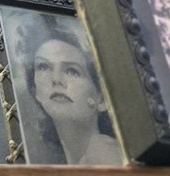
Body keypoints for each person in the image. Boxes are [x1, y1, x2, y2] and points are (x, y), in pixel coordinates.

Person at [21, 17, 120, 165]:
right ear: (36, 91)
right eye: (44, 67)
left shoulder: (102, 149)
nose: (56, 79)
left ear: (102, 99)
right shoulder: (63, 162)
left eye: (72, 71)